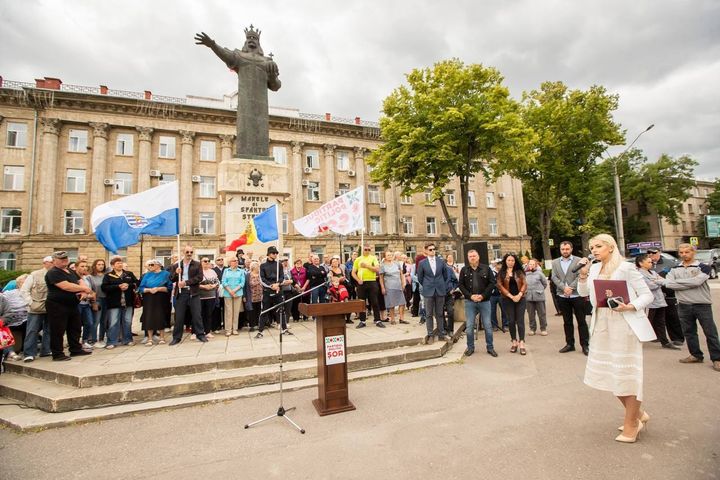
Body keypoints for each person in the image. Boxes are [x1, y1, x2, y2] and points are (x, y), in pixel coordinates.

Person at [577, 234, 654, 443]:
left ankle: (632, 425)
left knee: (627, 375)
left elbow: (648, 295)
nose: (593, 250)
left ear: (611, 247)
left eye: (598, 246)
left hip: (624, 325)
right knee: (611, 375)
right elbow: (584, 293)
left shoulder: (626, 267)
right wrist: (583, 276)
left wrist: (630, 306)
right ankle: (639, 414)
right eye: (591, 247)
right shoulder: (593, 268)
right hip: (602, 323)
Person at [194, 27, 281, 158]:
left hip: (261, 108)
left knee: (261, 130)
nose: (251, 40)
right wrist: (212, 45)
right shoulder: (240, 56)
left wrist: (273, 75)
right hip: (245, 105)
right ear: (246, 40)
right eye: (249, 38)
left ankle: (261, 155)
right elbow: (225, 54)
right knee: (244, 128)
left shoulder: (267, 62)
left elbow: (276, 86)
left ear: (258, 42)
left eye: (254, 38)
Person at [664, 243, 720, 371]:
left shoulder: (704, 267)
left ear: (693, 252)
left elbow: (697, 282)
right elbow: (668, 284)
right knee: (689, 332)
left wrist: (675, 282)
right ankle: (695, 355)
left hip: (702, 304)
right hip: (683, 305)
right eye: (681, 252)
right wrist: (684, 283)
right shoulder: (674, 268)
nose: (684, 254)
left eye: (687, 252)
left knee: (710, 333)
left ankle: (717, 358)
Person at [45, 251, 93, 361]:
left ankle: (75, 349)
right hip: (57, 305)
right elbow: (66, 286)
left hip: (72, 304)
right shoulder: (53, 272)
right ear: (54, 261)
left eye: (65, 258)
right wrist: (84, 289)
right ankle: (57, 354)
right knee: (58, 330)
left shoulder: (71, 271)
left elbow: (80, 280)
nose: (64, 260)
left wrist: (84, 291)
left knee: (75, 327)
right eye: (61, 258)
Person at [551, 241, 590, 355]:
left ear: (571, 249)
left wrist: (571, 288)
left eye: (567, 249)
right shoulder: (555, 262)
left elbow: (581, 275)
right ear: (560, 250)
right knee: (567, 322)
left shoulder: (579, 261)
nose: (565, 251)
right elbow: (554, 276)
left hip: (577, 295)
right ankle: (570, 344)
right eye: (563, 249)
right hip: (562, 296)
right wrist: (564, 288)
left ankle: (585, 345)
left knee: (581, 321)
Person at [635, 254, 680, 350]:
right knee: (645, 322)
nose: (651, 264)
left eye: (651, 262)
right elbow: (650, 286)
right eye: (649, 262)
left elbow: (664, 281)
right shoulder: (638, 274)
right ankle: (635, 341)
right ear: (641, 263)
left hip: (659, 301)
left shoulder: (652, 272)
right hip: (649, 303)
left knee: (661, 322)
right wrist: (658, 282)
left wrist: (657, 281)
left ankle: (665, 342)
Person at [458, 249, 497, 357]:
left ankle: (490, 348)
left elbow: (492, 283)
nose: (472, 258)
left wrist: (483, 295)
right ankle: (470, 348)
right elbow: (461, 285)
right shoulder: (464, 270)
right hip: (470, 302)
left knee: (488, 326)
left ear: (478, 257)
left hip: (484, 301)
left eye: (474, 256)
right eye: (470, 256)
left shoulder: (486, 268)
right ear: (468, 258)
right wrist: (470, 296)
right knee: (469, 327)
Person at [170, 246, 207, 345]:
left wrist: (186, 282)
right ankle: (176, 337)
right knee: (179, 317)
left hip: (193, 293)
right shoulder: (177, 265)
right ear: (183, 252)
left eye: (191, 252)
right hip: (181, 293)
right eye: (187, 252)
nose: (189, 253)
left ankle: (200, 335)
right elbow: (171, 279)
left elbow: (199, 278)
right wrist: (175, 273)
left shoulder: (197, 264)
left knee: (197, 315)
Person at [648, 248, 684, 346]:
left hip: (668, 293)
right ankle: (658, 336)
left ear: (659, 253)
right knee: (657, 317)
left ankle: (677, 338)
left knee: (672, 316)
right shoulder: (646, 263)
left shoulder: (669, 263)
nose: (651, 254)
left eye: (654, 252)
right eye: (649, 253)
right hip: (654, 295)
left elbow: (677, 277)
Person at [20, 256, 53, 362]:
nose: (53, 264)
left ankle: (46, 350)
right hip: (36, 307)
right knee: (32, 330)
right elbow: (24, 290)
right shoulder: (35, 274)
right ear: (45, 263)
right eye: (51, 262)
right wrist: (31, 303)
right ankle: (29, 353)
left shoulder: (56, 274)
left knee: (49, 330)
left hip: (51, 307)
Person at [101, 256, 139, 349]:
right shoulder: (108, 275)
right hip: (114, 303)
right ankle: (112, 341)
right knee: (113, 322)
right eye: (118, 263)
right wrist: (118, 286)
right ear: (113, 265)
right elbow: (104, 287)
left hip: (128, 302)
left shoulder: (129, 274)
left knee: (128, 321)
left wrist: (128, 285)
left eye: (121, 263)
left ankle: (128, 340)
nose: (120, 264)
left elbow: (137, 283)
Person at [416, 242, 448, 343]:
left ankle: (441, 333)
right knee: (429, 314)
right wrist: (427, 285)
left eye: (434, 249)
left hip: (440, 289)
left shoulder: (441, 261)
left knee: (440, 313)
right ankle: (430, 334)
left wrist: (441, 284)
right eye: (430, 249)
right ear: (426, 251)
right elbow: (420, 278)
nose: (433, 251)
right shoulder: (422, 263)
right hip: (428, 290)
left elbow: (445, 275)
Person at [497, 253, 528, 355]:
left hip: (520, 298)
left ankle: (522, 343)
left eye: (513, 260)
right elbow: (500, 286)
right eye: (509, 260)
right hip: (507, 299)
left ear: (515, 262)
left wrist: (519, 294)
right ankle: (514, 341)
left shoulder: (519, 272)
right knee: (511, 321)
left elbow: (524, 284)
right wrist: (511, 296)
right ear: (505, 261)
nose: (511, 262)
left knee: (520, 321)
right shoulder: (501, 273)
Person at [258, 246, 292, 337]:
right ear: (269, 254)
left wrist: (278, 284)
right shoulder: (263, 265)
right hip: (267, 291)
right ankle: (260, 331)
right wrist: (271, 285)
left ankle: (284, 329)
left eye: (276, 253)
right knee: (264, 311)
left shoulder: (279, 265)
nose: (275, 255)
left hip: (278, 290)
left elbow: (282, 276)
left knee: (281, 310)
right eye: (273, 253)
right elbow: (262, 278)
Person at [137, 259, 172, 345]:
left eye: (152, 265)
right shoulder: (147, 275)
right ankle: (149, 338)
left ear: (158, 265)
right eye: (149, 265)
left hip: (161, 297)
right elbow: (141, 288)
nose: (150, 266)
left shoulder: (166, 274)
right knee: (149, 317)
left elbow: (169, 287)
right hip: (149, 298)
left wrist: (159, 289)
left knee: (160, 316)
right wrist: (149, 290)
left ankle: (162, 337)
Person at [352, 245, 385, 329]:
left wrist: (367, 266)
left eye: (369, 250)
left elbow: (377, 269)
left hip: (372, 281)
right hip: (362, 282)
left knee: (375, 301)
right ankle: (362, 321)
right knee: (362, 302)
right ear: (362, 250)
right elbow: (353, 272)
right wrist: (358, 280)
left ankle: (377, 320)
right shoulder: (358, 259)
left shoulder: (373, 258)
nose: (367, 251)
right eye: (365, 249)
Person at [379, 251, 407, 325]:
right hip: (389, 286)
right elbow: (381, 278)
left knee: (402, 302)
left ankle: (401, 319)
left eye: (391, 255)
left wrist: (403, 283)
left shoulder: (397, 263)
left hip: (398, 285)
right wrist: (382, 288)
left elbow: (401, 274)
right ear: (384, 256)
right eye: (388, 255)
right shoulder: (382, 265)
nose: (390, 256)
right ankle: (393, 319)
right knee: (391, 304)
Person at [221, 256, 245, 335]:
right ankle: (228, 329)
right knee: (229, 312)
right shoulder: (226, 270)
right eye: (234, 260)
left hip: (237, 293)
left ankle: (235, 329)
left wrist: (234, 291)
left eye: (237, 260)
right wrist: (230, 291)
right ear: (230, 262)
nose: (236, 262)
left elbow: (242, 283)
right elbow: (224, 281)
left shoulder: (241, 271)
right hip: (228, 293)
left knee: (236, 312)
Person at [86, 259, 108, 345]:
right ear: (95, 265)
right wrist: (93, 302)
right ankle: (93, 339)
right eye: (99, 264)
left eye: (102, 264)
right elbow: (89, 290)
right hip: (97, 299)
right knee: (96, 320)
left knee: (104, 320)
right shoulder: (90, 277)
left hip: (106, 299)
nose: (101, 266)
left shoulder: (106, 276)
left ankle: (101, 338)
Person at [75, 260, 96, 349]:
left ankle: (85, 340)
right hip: (78, 304)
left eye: (85, 266)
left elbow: (92, 290)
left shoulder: (87, 278)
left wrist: (92, 298)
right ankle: (75, 341)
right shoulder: (73, 278)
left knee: (90, 323)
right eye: (82, 266)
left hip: (87, 303)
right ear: (76, 267)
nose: (84, 268)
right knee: (77, 324)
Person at [525, 259, 548, 336]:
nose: (531, 266)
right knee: (531, 314)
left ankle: (543, 328)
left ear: (536, 265)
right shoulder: (526, 274)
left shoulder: (540, 273)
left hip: (539, 296)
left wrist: (540, 290)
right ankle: (532, 329)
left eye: (533, 264)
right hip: (528, 296)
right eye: (530, 264)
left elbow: (545, 284)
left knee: (542, 314)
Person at [199, 257, 220, 339]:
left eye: (208, 261)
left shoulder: (212, 271)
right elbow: (195, 283)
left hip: (211, 296)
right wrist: (204, 287)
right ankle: (198, 331)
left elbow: (217, 281)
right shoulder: (198, 271)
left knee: (208, 314)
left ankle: (207, 331)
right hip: (200, 296)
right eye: (205, 261)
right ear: (201, 262)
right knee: (199, 315)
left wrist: (213, 286)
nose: (207, 262)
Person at [489, 259, 508, 332]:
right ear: (496, 265)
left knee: (504, 310)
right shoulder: (491, 272)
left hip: (502, 294)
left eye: (501, 264)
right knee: (492, 311)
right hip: (492, 295)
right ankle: (494, 326)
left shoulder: (504, 272)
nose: (500, 266)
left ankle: (505, 325)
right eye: (498, 264)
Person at [443, 253, 460, 335]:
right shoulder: (436, 272)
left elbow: (456, 282)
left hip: (449, 294)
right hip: (439, 295)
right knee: (440, 313)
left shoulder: (449, 270)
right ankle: (445, 328)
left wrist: (453, 289)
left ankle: (451, 330)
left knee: (450, 311)